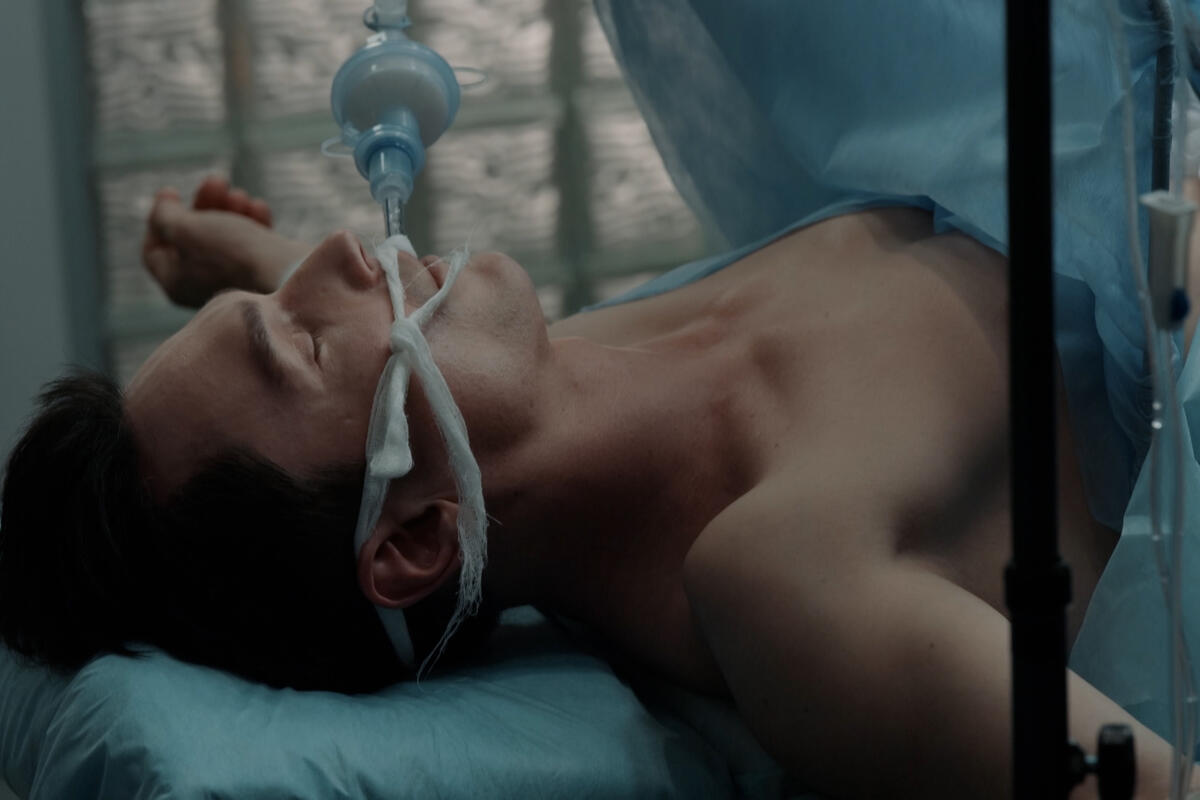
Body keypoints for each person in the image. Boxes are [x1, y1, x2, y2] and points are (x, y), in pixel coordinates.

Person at [3, 170, 1197, 799]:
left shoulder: (567, 368)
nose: (338, 253)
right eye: (302, 338)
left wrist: (213, 259)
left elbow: (349, 383)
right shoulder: (788, 576)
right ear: (414, 539)